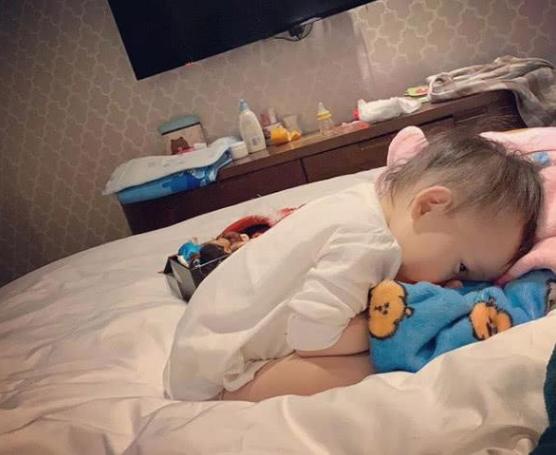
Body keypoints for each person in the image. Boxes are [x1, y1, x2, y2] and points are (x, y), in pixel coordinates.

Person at [163, 131, 543, 402]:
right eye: (461, 267)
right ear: (429, 205)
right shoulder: (367, 242)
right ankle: (232, 398)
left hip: (200, 342)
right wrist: (394, 328)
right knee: (376, 366)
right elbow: (311, 337)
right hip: (213, 372)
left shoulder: (360, 204)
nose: (454, 284)